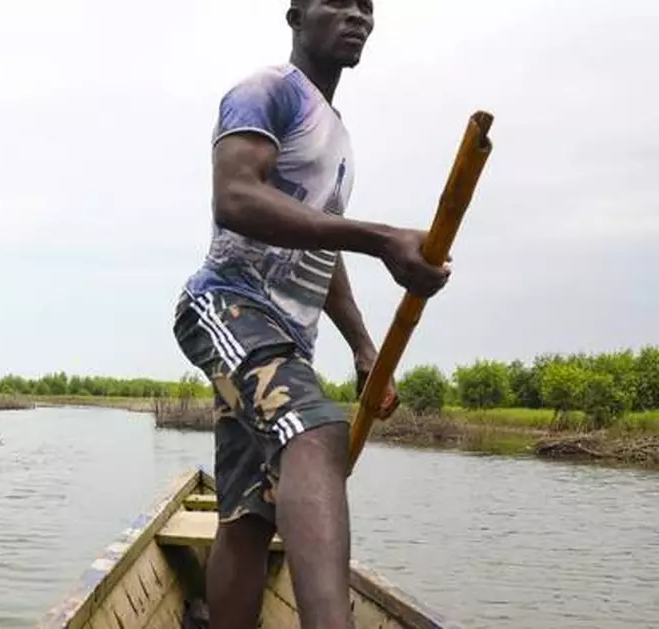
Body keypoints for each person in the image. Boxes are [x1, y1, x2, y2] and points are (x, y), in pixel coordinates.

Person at [171, 1, 451, 628]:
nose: (357, 16)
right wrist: (382, 240)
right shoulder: (267, 92)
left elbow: (320, 244)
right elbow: (236, 196)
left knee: (249, 514)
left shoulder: (338, 133)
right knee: (315, 431)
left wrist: (363, 345)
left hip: (287, 337)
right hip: (227, 302)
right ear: (296, 15)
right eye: (338, 2)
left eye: (367, 7)